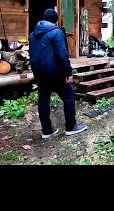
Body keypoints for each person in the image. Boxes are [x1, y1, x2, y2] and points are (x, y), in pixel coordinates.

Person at [28, 8, 87, 138]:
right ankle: (71, 127)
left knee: (43, 99)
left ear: (43, 19)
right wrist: (68, 72)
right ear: (56, 20)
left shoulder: (32, 34)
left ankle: (47, 130)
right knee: (69, 95)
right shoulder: (56, 32)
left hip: (39, 73)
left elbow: (32, 54)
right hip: (55, 73)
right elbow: (62, 55)